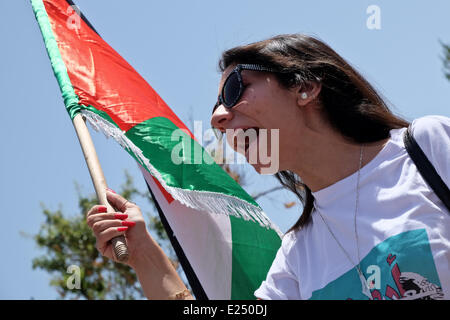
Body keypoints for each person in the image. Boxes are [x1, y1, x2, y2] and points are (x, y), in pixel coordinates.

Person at [86, 33, 450, 300]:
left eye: (233, 90)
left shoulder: (428, 147)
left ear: (305, 86)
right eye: (215, 107)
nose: (217, 119)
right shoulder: (295, 257)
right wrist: (144, 255)